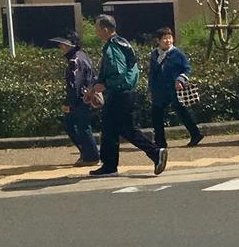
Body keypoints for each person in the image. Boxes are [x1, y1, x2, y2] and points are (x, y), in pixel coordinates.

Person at [88, 14, 164, 176]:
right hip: (126, 92)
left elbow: (118, 70)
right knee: (114, 129)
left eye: (98, 28)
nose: (96, 32)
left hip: (119, 93)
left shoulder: (113, 47)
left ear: (106, 29)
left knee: (119, 128)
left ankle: (154, 152)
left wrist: (104, 84)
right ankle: (110, 165)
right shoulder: (123, 42)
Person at [147, 27, 204, 151]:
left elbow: (187, 69)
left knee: (182, 112)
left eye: (169, 38)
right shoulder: (154, 54)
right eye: (164, 39)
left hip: (174, 89)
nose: (167, 41)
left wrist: (181, 79)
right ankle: (160, 141)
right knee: (157, 115)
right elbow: (152, 73)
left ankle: (195, 134)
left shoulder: (178, 53)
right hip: (159, 90)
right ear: (158, 40)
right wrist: (150, 89)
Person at [53, 32, 98, 165]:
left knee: (78, 126)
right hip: (85, 96)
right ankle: (88, 153)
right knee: (78, 125)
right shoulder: (82, 55)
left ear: (69, 44)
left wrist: (69, 102)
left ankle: (91, 155)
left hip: (80, 98)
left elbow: (75, 83)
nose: (60, 46)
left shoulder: (75, 60)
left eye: (63, 43)